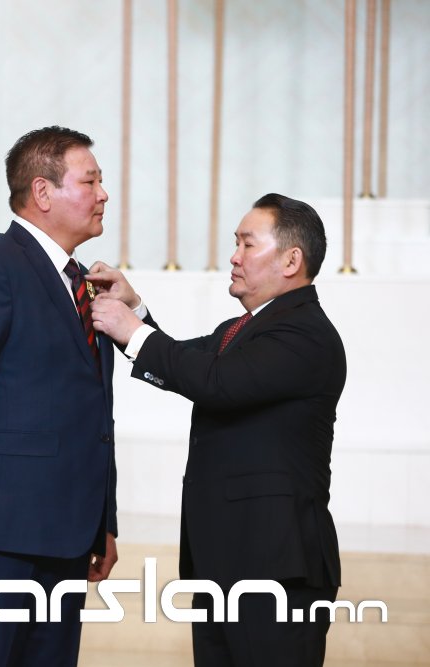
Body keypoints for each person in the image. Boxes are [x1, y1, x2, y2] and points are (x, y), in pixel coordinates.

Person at [0, 126, 144, 666]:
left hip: (69, 539)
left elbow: (92, 411)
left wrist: (103, 523)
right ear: (43, 192)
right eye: (90, 181)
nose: (104, 194)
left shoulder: (82, 282)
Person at [88, 193, 345, 667]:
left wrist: (132, 330)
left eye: (248, 244)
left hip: (276, 568)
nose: (234, 256)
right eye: (235, 243)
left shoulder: (305, 333)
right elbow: (186, 364)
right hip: (224, 563)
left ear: (292, 260)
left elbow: (217, 382)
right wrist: (134, 309)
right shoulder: (242, 328)